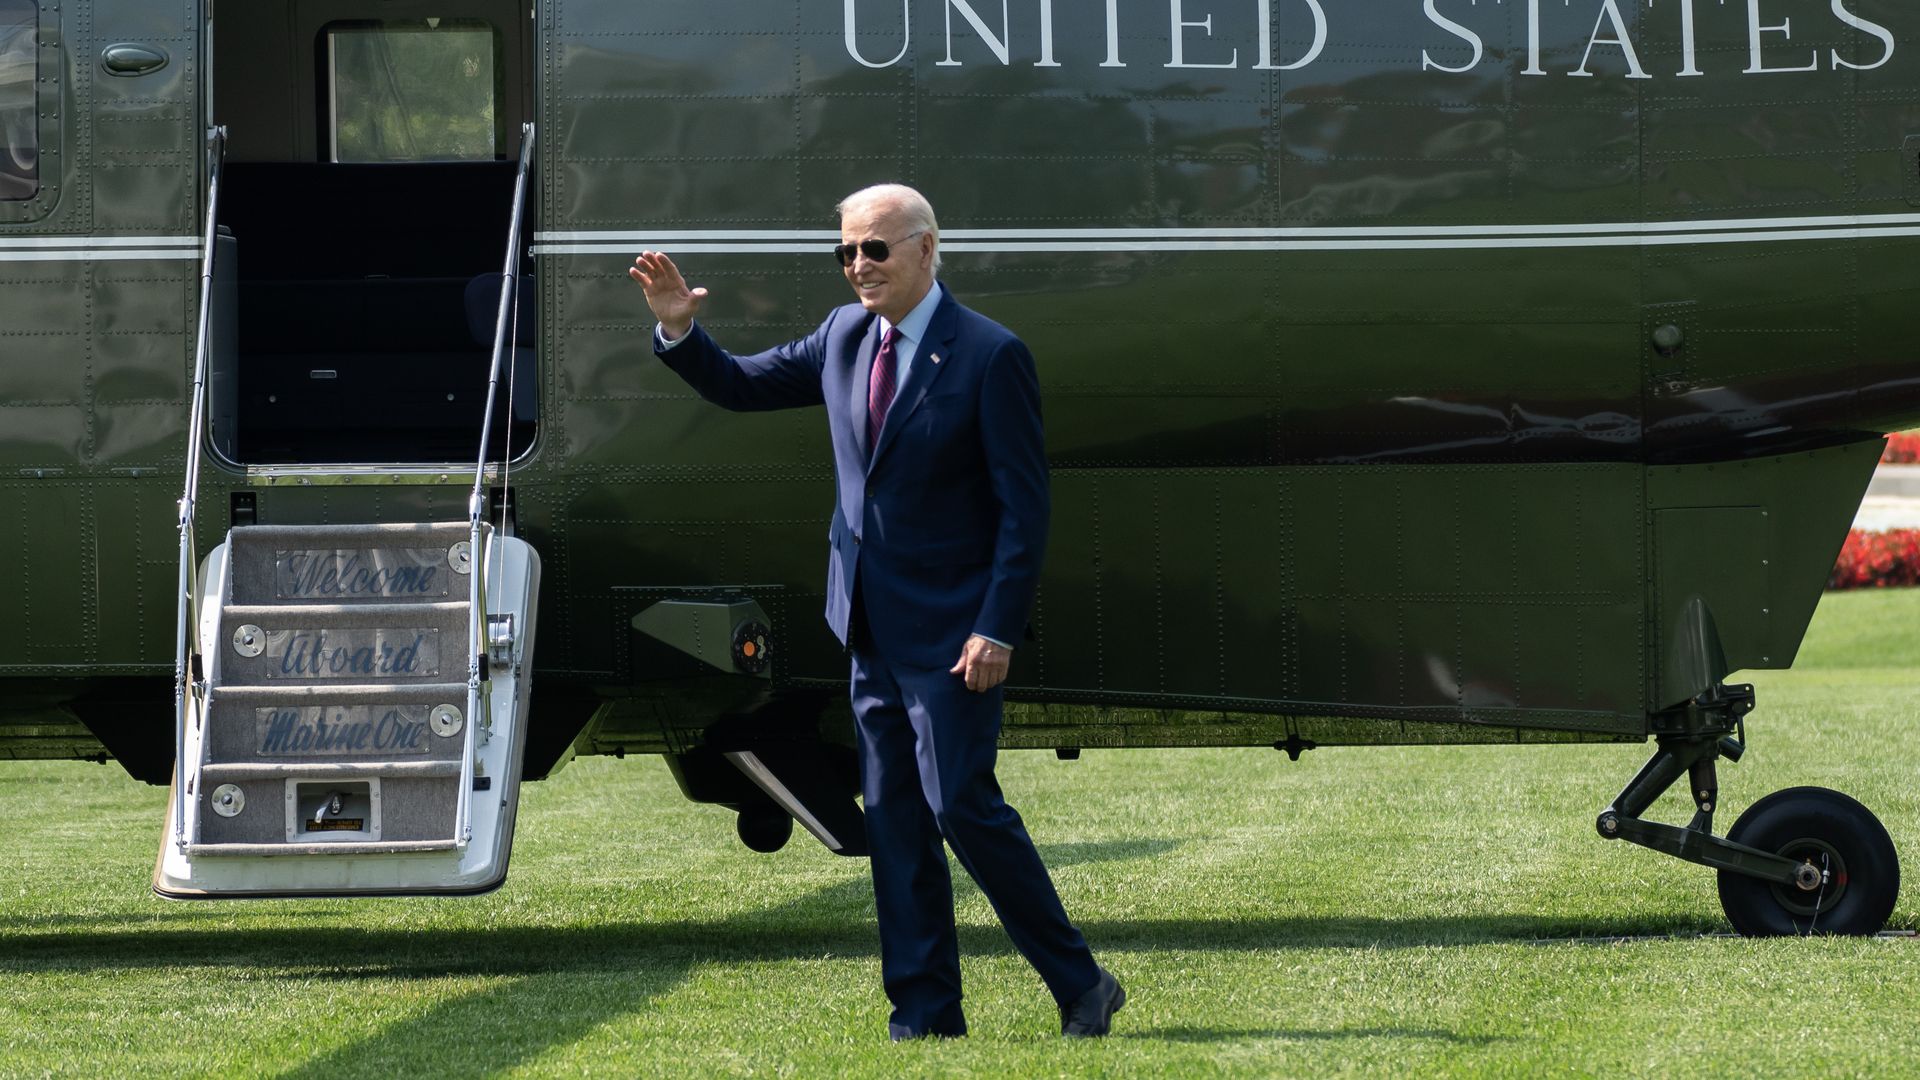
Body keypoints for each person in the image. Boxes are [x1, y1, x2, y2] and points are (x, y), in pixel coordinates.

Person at [629, 183, 1124, 1040]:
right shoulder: (843, 336)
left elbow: (1024, 510)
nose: (859, 266)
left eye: (876, 250)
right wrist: (679, 327)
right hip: (867, 629)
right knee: (895, 824)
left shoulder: (989, 355)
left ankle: (1081, 983)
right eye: (847, 252)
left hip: (957, 634)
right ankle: (926, 1014)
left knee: (963, 807)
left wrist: (997, 624)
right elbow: (742, 387)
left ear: (927, 249)